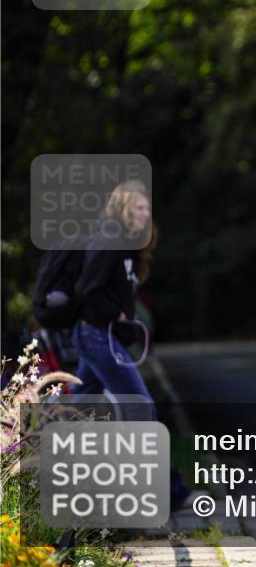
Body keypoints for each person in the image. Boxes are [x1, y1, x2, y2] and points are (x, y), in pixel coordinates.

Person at [71, 180, 191, 509]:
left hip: (98, 336)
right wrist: (118, 313)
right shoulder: (110, 239)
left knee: (75, 410)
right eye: (138, 208)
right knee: (140, 405)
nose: (145, 214)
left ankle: (46, 476)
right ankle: (171, 493)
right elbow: (86, 289)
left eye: (147, 209)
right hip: (99, 336)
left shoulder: (123, 245)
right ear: (122, 209)